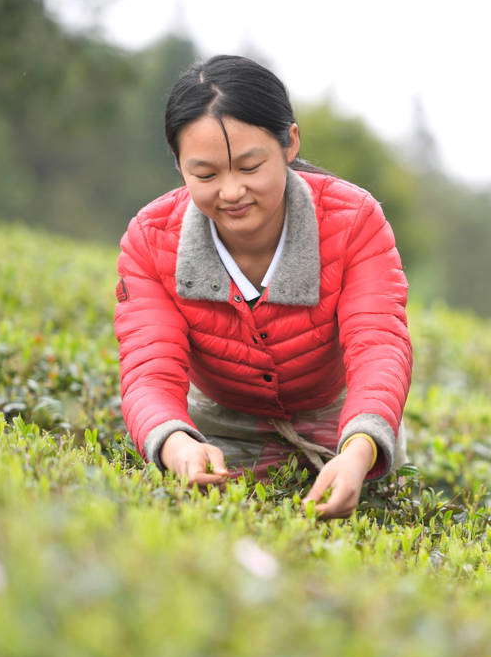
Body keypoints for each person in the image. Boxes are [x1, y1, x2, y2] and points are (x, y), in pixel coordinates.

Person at [113, 55, 412, 519]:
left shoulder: (355, 221)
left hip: (339, 426)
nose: (231, 192)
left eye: (250, 167)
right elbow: (148, 368)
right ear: (178, 164)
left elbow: (379, 344)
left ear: (289, 142)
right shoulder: (151, 240)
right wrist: (176, 444)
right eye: (206, 175)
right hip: (218, 426)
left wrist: (359, 449)